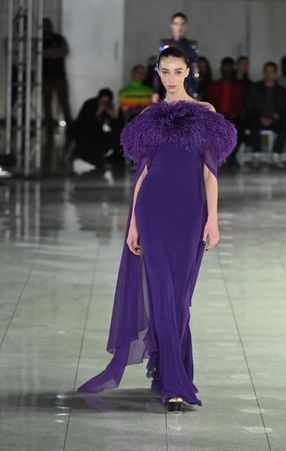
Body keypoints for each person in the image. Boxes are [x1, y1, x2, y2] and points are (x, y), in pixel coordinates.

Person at [76, 46, 237, 413]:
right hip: (152, 212)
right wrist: (133, 223)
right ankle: (174, 384)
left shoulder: (206, 114)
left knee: (180, 301)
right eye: (164, 71)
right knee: (162, 294)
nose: (171, 77)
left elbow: (210, 175)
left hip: (190, 213)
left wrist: (212, 219)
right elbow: (142, 174)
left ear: (189, 72)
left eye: (177, 71)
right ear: (158, 73)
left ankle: (169, 373)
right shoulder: (149, 116)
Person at [246, 62, 286, 169]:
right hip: (258, 118)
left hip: (275, 120)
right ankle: (256, 155)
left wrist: (275, 116)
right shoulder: (255, 88)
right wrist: (260, 117)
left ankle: (276, 155)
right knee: (253, 124)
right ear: (263, 72)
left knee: (285, 126)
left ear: (276, 73)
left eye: (272, 72)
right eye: (267, 71)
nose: (269, 74)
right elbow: (249, 107)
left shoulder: (282, 91)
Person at [205, 57, 245, 168]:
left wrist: (234, 113)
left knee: (239, 129)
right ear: (221, 69)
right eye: (225, 67)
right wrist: (217, 113)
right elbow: (209, 103)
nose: (227, 70)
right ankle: (218, 157)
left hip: (234, 116)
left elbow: (240, 106)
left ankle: (231, 157)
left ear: (233, 69)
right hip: (217, 116)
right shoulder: (213, 86)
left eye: (229, 68)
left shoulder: (238, 87)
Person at [152, 12, 199, 102]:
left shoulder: (192, 45)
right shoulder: (164, 44)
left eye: (182, 24)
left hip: (187, 84)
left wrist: (195, 90)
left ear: (186, 26)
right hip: (167, 86)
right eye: (176, 24)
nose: (179, 27)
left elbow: (195, 70)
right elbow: (157, 69)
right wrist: (156, 91)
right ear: (172, 25)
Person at [71, 88, 120, 174]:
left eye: (107, 101)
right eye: (102, 101)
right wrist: (98, 112)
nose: (104, 103)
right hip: (85, 135)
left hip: (100, 135)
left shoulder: (109, 106)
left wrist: (113, 116)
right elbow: (84, 123)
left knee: (113, 138)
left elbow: (114, 126)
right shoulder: (90, 104)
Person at [42, 17, 72, 134]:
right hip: (46, 76)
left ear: (51, 26)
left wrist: (48, 53)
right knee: (47, 101)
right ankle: (49, 125)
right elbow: (38, 52)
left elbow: (64, 51)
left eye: (47, 25)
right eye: (44, 26)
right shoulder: (40, 39)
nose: (46, 28)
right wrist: (54, 52)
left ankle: (69, 125)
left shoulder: (59, 38)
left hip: (60, 75)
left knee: (64, 100)